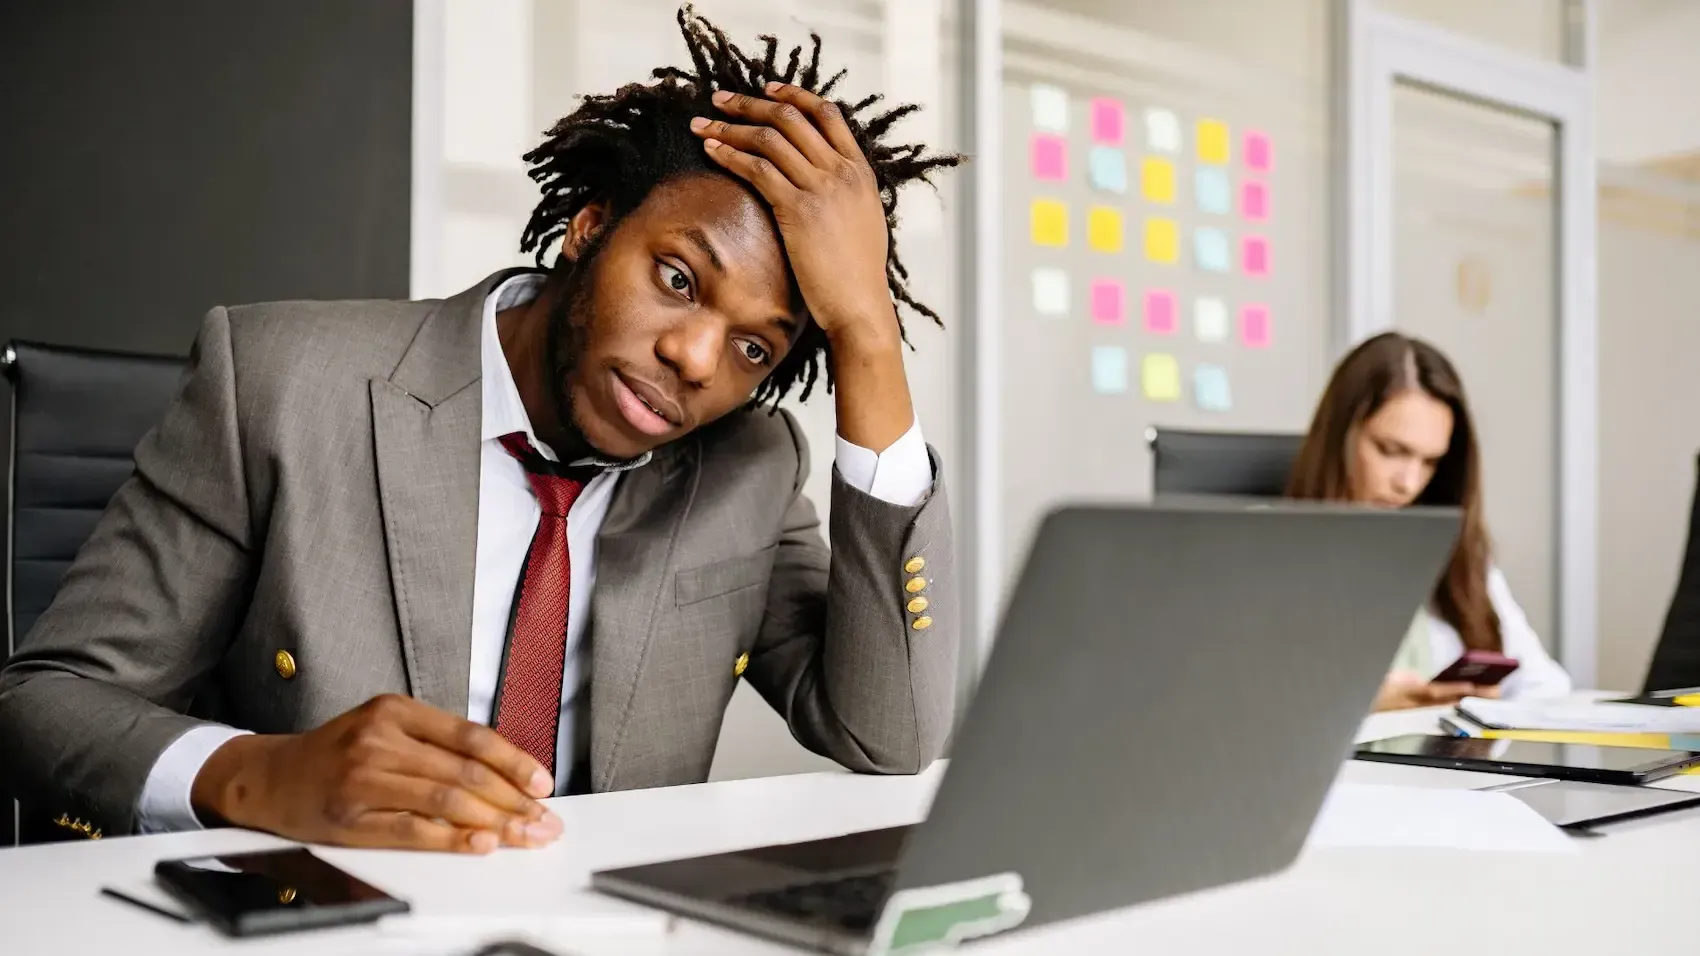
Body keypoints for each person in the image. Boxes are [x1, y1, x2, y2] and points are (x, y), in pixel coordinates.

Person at [0, 8, 962, 851]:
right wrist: (263, 776)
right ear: (589, 226)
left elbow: (891, 735)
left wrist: (868, 337)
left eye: (757, 349)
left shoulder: (748, 467)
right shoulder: (282, 384)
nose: (700, 362)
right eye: (678, 279)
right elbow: (42, 705)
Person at [1286, 331, 1571, 712]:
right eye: (1390, 451)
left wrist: (1488, 707)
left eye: (1430, 462)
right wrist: (1360, 707)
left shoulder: (1455, 556)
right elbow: (1232, 714)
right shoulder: (1260, 556)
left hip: (1456, 768)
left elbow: (1545, 686)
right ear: (1339, 435)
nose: (1408, 483)